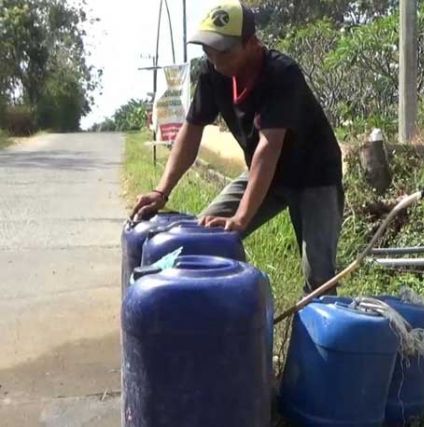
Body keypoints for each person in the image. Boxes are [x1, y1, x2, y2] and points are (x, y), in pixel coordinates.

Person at [130, 0, 344, 295]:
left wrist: (241, 219)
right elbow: (191, 132)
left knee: (319, 277)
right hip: (264, 174)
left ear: (252, 44)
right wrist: (161, 191)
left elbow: (269, 148)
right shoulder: (211, 73)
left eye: (224, 50)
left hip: (314, 177)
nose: (216, 59)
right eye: (209, 49)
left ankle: (317, 333)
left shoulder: (282, 74)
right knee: (204, 239)